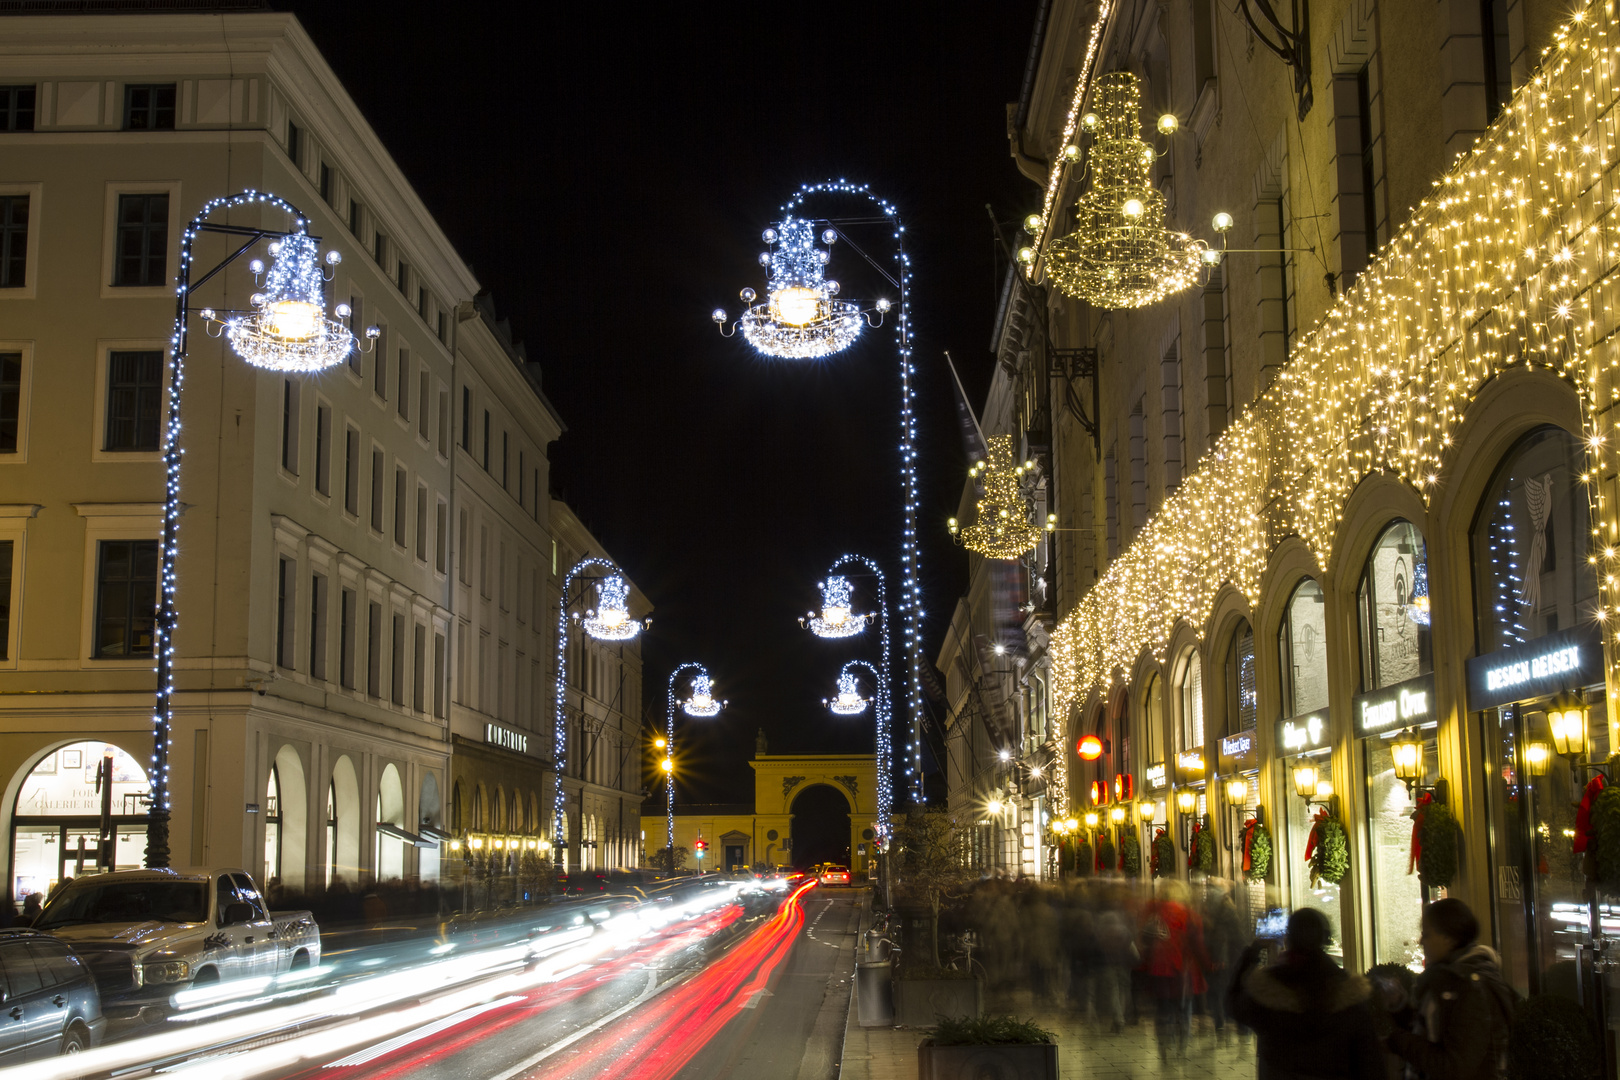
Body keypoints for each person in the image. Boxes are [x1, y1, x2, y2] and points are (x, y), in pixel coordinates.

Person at [1227, 907, 1384, 1080]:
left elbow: (1233, 1004)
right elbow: (1370, 1063)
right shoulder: (1348, 994)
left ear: (1289, 939)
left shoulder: (1269, 993)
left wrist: (1252, 952)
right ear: (1324, 940)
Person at [1385, 898, 1515, 1080]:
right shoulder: (1445, 979)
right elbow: (1433, 1031)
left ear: (1447, 938)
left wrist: (1401, 1042)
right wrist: (1400, 1006)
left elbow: (1455, 1066)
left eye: (1427, 934)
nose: (1421, 940)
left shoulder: (1470, 986)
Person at [1140, 878, 1208, 1060]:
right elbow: (1198, 946)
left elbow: (1144, 940)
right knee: (1184, 1010)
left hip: (1159, 969)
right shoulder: (1190, 915)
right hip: (1183, 971)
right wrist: (1208, 965)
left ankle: (1164, 1048)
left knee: (1163, 1010)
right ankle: (1181, 1049)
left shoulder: (1154, 914)